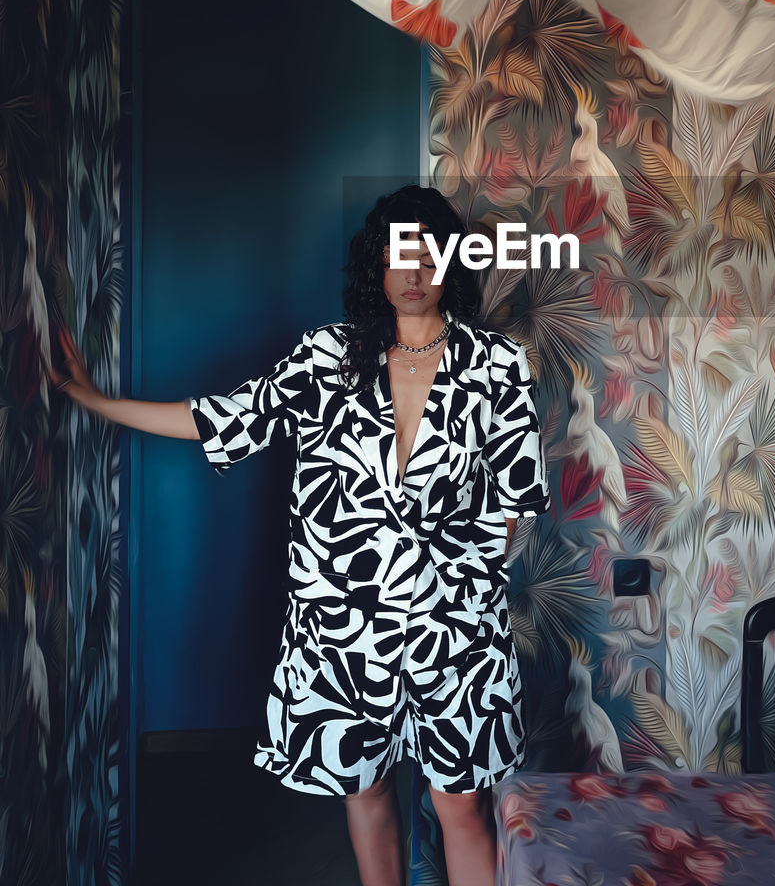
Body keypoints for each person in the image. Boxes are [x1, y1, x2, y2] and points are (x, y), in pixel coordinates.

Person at [48, 183, 551, 886]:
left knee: (460, 804)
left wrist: (461, 576)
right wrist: (96, 401)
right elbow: (223, 418)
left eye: (429, 252)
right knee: (367, 790)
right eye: (397, 253)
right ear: (376, 266)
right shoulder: (327, 357)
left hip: (455, 627)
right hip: (342, 628)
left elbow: (517, 495)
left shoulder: (496, 365)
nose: (413, 270)